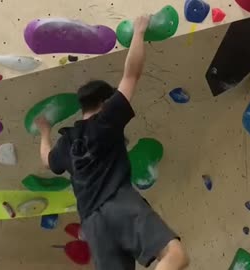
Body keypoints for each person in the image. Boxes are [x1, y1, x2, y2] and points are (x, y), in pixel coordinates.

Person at [34, 15, 189, 270]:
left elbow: (47, 161)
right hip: (119, 202)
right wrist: (138, 32)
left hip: (93, 224)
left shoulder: (65, 143)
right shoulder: (106, 120)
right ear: (104, 103)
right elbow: (131, 75)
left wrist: (44, 131)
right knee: (174, 256)